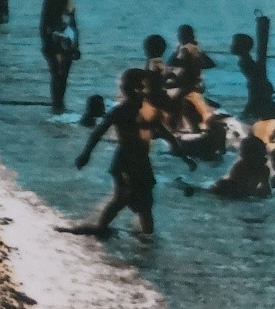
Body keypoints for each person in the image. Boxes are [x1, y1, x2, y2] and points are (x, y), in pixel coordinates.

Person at [60, 68, 196, 237]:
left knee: (145, 203)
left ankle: (146, 237)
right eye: (144, 88)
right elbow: (99, 132)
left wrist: (183, 156)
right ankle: (103, 228)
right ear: (135, 89)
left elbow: (164, 132)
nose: (148, 92)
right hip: (125, 161)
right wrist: (85, 154)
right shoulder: (121, 110)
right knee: (123, 197)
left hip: (141, 162)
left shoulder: (147, 111)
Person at [40, 0, 79, 114]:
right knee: (57, 75)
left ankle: (58, 103)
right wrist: (45, 42)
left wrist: (76, 44)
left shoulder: (69, 0)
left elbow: (73, 23)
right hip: (54, 41)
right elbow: (44, 23)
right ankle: (57, 103)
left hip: (66, 41)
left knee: (62, 76)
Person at [168, 25, 216, 130]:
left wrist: (179, 52)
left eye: (180, 35)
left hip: (188, 84)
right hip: (194, 82)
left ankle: (176, 125)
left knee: (173, 103)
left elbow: (172, 62)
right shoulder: (195, 49)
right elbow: (211, 64)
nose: (179, 37)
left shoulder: (186, 49)